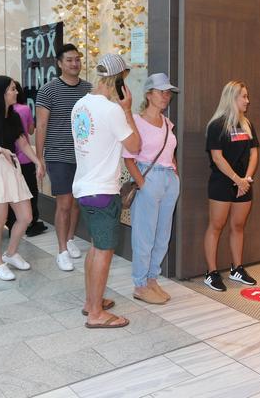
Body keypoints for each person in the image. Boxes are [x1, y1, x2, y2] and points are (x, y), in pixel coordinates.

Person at [72, 53, 140, 328]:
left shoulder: (80, 105)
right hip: (102, 190)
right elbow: (135, 145)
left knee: (94, 247)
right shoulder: (112, 111)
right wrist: (126, 110)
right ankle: (97, 314)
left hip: (84, 187)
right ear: (117, 80)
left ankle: (92, 303)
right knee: (103, 251)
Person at [0, 75, 45, 281]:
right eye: (12, 89)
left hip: (12, 167)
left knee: (26, 217)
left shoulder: (13, 115)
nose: (16, 92)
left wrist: (37, 161)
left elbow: (21, 142)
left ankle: (11, 253)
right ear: (3, 92)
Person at [123, 73, 179, 305]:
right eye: (161, 91)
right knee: (144, 236)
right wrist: (144, 184)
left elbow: (170, 151)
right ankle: (140, 283)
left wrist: (174, 172)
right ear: (148, 94)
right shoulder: (136, 121)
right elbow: (128, 158)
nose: (165, 96)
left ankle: (152, 279)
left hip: (169, 180)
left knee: (162, 235)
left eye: (168, 92)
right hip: (149, 179)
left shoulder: (167, 123)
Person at [36, 44, 92, 271]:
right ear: (60, 63)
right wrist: (39, 158)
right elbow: (41, 125)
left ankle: (69, 239)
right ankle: (61, 251)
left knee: (77, 202)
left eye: (77, 59)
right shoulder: (48, 90)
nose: (75, 63)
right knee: (65, 203)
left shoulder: (89, 89)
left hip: (84, 156)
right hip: (59, 155)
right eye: (69, 60)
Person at [203, 81, 259, 291]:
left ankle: (237, 268)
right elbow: (217, 158)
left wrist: (246, 179)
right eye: (243, 96)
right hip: (222, 183)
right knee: (216, 226)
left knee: (238, 227)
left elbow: (254, 153)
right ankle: (211, 272)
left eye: (247, 96)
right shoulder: (217, 125)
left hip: (243, 184)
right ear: (232, 98)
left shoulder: (247, 124)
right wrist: (238, 179)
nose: (247, 100)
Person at [7, 80, 48, 237]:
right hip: (25, 158)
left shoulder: (5, 112)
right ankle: (31, 222)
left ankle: (12, 224)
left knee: (13, 193)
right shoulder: (24, 109)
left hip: (9, 159)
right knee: (31, 191)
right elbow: (31, 131)